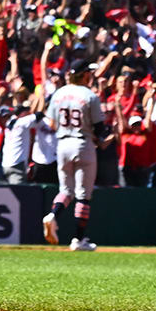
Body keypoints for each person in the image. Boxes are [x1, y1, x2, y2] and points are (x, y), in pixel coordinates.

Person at [43, 59, 105, 251]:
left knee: (66, 191)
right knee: (83, 195)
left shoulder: (59, 94)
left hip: (62, 144)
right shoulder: (89, 95)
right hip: (82, 143)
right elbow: (100, 127)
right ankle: (78, 239)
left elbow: (51, 123)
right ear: (84, 74)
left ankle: (53, 215)